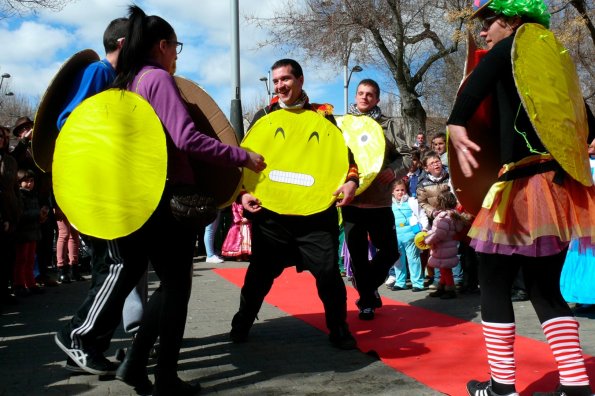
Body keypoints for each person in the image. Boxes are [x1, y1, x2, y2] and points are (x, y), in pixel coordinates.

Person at [100, 6, 265, 395]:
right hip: (170, 198)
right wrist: (243, 156)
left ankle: (137, 365)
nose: (177, 55)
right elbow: (187, 139)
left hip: (141, 198)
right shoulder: (157, 78)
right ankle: (165, 377)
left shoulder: (128, 81)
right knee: (177, 288)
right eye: (176, 47)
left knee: (170, 285)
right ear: (162, 45)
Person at [447, 0, 595, 393]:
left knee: (492, 280)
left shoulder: (509, 47)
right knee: (544, 288)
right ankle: (577, 386)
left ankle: (501, 388)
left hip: (522, 184)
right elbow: (587, 123)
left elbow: (477, 82)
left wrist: (456, 122)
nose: (483, 32)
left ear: (512, 20)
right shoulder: (553, 59)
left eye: (489, 22)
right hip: (560, 188)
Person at [229, 58, 358, 349]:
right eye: (275, 81)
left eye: (285, 79)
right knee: (258, 277)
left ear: (300, 80)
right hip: (272, 216)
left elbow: (344, 159)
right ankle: (242, 323)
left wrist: (351, 182)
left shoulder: (323, 117)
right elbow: (244, 161)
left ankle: (339, 329)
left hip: (315, 215)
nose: (280, 86)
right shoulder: (264, 116)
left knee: (328, 276)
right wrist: (243, 194)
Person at [53, 17, 134, 376]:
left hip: (107, 187)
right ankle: (77, 336)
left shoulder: (114, 79)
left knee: (111, 267)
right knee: (119, 265)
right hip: (100, 191)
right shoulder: (100, 72)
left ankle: (89, 347)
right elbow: (68, 121)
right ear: (121, 43)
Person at [342, 78, 410, 320]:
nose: (364, 97)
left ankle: (366, 286)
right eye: (360, 93)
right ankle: (367, 302)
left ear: (377, 99)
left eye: (369, 94)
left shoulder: (389, 125)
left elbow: (407, 156)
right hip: (351, 202)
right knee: (358, 256)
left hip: (380, 202)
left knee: (390, 251)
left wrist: (394, 170)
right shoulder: (342, 124)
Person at [417, 151, 451, 289]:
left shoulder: (449, 177)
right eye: (432, 163)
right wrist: (433, 212)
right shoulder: (423, 184)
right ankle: (439, 280)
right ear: (426, 168)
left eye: (437, 161)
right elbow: (422, 202)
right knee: (436, 251)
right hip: (434, 220)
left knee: (451, 250)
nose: (436, 164)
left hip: (450, 218)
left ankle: (455, 279)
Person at [13, 169, 49, 296]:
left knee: (30, 260)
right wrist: (37, 214)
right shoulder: (20, 195)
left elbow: (34, 214)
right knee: (21, 260)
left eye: (31, 181)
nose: (29, 183)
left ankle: (31, 283)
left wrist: (42, 216)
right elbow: (21, 215)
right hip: (23, 233)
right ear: (19, 183)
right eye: (26, 181)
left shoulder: (33, 195)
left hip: (33, 232)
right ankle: (19, 284)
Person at [390, 179, 428, 292]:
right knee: (397, 260)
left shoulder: (411, 201)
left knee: (414, 259)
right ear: (392, 192)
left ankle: (417, 283)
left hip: (411, 236)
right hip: (396, 236)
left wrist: (425, 228)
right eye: (397, 190)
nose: (400, 192)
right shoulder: (389, 203)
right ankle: (400, 282)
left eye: (402, 190)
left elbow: (422, 215)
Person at [0, 126, 20, 306]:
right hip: (1, 214)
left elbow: (15, 188)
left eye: (2, 136)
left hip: (11, 210)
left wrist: (16, 212)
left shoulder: (10, 161)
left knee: (8, 256)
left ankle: (6, 290)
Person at [54, 203, 83, 283]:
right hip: (61, 202)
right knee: (64, 233)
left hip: (73, 202)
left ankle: (74, 267)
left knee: (74, 234)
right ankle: (61, 268)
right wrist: (57, 206)